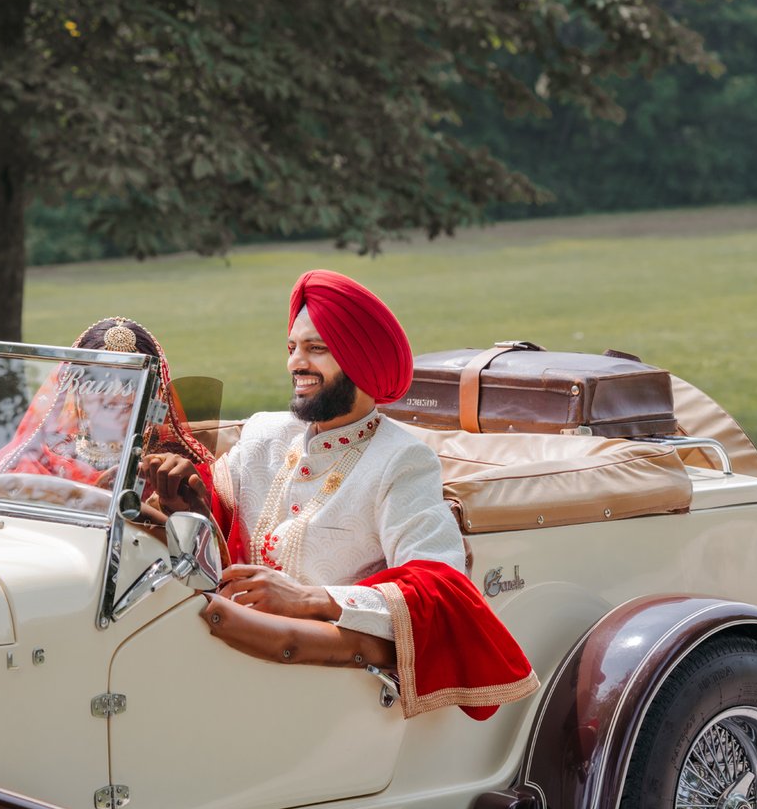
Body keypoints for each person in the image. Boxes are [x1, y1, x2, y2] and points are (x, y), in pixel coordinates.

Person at [143, 270, 538, 719]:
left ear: (359, 360)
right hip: (221, 648)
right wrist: (188, 505)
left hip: (325, 688)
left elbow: (440, 588)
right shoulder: (263, 435)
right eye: (292, 348)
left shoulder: (402, 460)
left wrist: (313, 599)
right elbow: (219, 527)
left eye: (316, 349)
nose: (296, 364)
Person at [0, 316, 215, 486]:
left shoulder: (175, 463)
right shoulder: (41, 460)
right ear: (77, 388)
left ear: (156, 392)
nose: (119, 393)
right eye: (102, 379)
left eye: (132, 382)